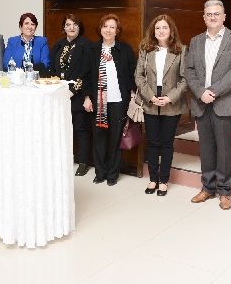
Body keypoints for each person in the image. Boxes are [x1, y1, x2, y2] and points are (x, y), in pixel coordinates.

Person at [184, 0, 231, 210]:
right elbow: (189, 70)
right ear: (204, 17)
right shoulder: (196, 41)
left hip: (224, 102)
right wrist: (200, 92)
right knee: (206, 147)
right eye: (209, 14)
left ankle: (225, 191)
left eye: (216, 14)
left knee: (225, 149)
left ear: (224, 17)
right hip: (201, 102)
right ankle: (208, 187)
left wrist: (214, 91)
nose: (213, 17)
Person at [135, 15, 188, 196]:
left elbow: (185, 79)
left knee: (166, 143)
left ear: (171, 30)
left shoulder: (181, 50)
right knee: (151, 142)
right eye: (158, 28)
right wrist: (150, 96)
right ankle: (153, 179)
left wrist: (169, 98)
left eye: (165, 27)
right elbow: (139, 76)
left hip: (171, 102)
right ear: (153, 31)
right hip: (150, 99)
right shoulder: (145, 49)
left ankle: (164, 180)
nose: (161, 31)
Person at [83, 14, 136, 186]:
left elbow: (132, 74)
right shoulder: (92, 50)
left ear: (117, 30)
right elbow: (86, 76)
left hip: (118, 101)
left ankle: (113, 173)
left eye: (112, 27)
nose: (108, 30)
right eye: (105, 26)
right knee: (99, 138)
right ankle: (100, 172)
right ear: (100, 28)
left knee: (115, 139)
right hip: (98, 101)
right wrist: (87, 97)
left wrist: (132, 96)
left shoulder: (125, 50)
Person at [49, 14, 93, 176]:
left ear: (79, 27)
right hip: (60, 93)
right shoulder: (58, 44)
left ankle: (83, 162)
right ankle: (63, 158)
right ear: (64, 27)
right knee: (61, 129)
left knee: (81, 129)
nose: (71, 27)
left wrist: (73, 90)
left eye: (75, 24)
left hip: (78, 93)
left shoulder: (86, 45)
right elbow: (53, 68)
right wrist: (57, 87)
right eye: (68, 25)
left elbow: (87, 72)